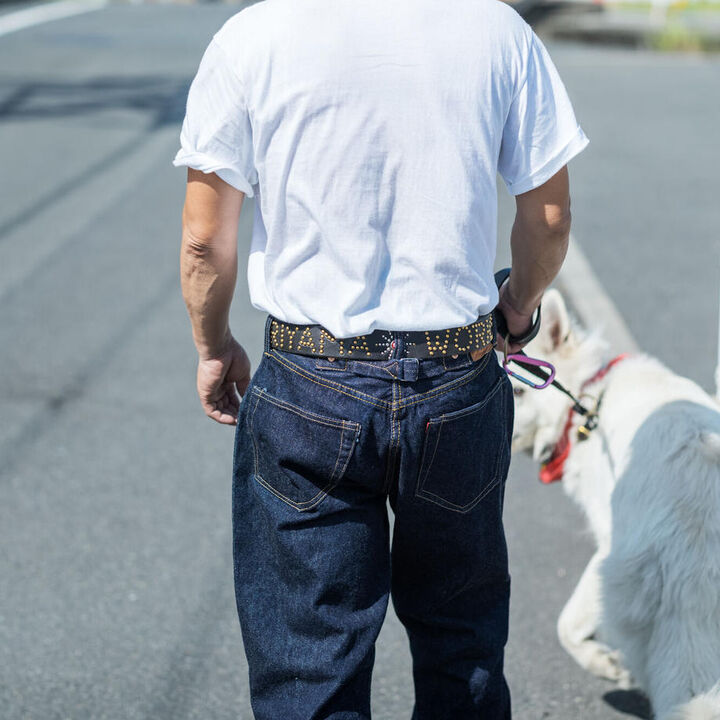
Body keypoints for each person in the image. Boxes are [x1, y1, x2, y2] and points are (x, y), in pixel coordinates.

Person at [172, 0, 588, 717]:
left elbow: (206, 240)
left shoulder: (253, 35)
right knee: (462, 646)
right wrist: (517, 307)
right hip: (457, 377)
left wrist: (214, 346)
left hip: (309, 379)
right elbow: (546, 216)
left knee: (311, 665)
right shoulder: (495, 30)